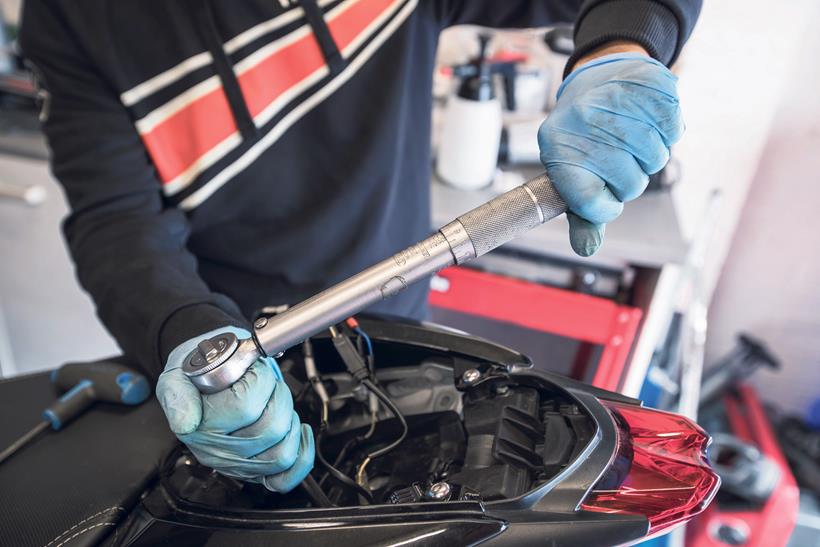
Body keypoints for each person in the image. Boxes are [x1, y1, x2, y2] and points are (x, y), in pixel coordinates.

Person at [20, 0, 701, 493]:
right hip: (238, 358)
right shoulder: (72, 16)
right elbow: (115, 222)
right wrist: (192, 339)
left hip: (396, 322)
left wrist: (621, 47)